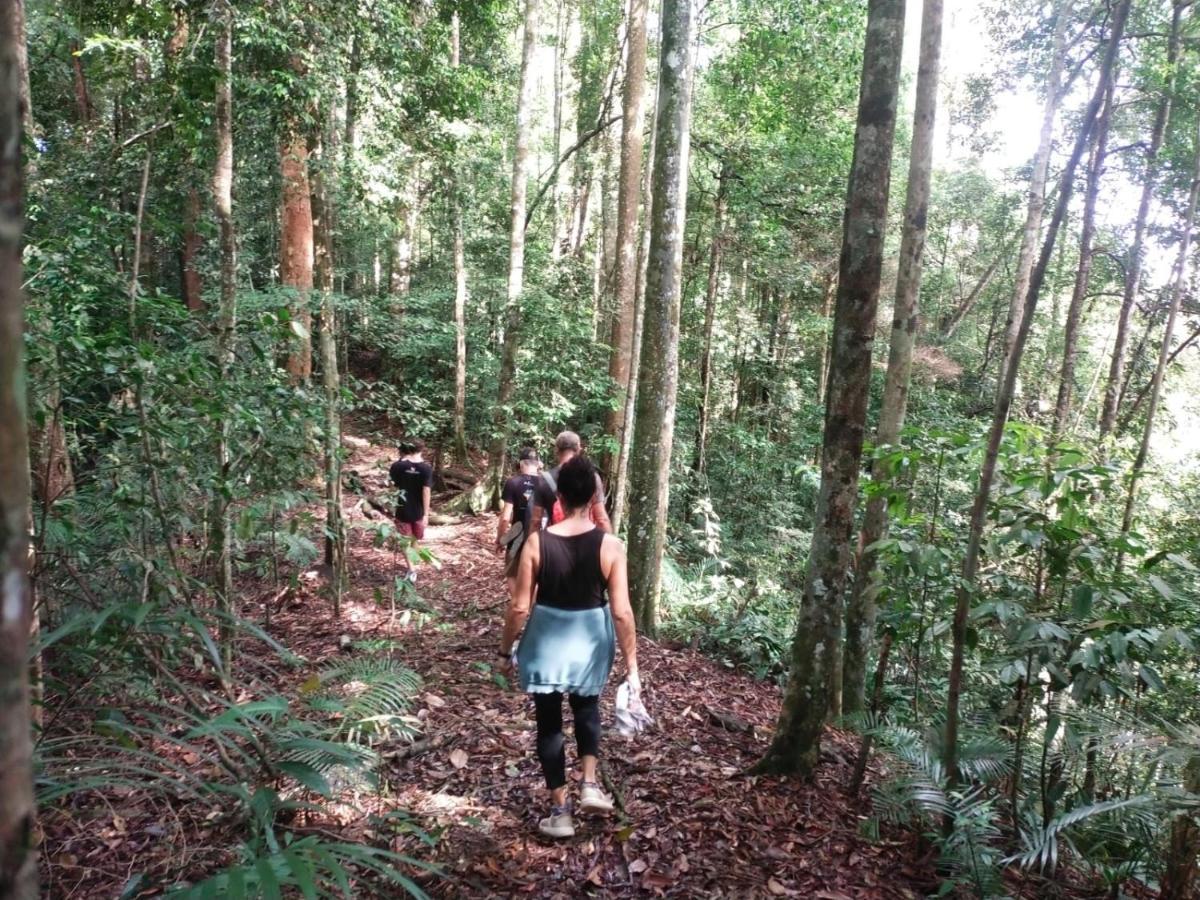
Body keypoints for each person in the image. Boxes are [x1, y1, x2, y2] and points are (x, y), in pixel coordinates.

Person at [498, 455, 640, 839]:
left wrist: (505, 649)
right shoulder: (611, 545)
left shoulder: (536, 542)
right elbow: (623, 612)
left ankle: (560, 811)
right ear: (595, 495)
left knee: (548, 723)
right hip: (590, 640)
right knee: (587, 708)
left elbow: (520, 606)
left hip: (546, 639)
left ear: (559, 495)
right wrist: (632, 666)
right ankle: (590, 784)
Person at [530, 431, 612, 535]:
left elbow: (535, 521)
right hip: (586, 541)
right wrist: (610, 545)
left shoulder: (543, 480)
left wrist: (533, 545)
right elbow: (601, 519)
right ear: (578, 448)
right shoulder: (592, 477)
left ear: (556, 450)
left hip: (555, 541)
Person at [497, 447, 540, 598]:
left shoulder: (513, 483)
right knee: (537, 578)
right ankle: (532, 609)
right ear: (538, 464)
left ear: (521, 464)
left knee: (511, 573)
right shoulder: (546, 484)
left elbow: (505, 517)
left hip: (517, 536)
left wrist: (500, 539)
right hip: (540, 538)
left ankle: (520, 606)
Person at [389, 438, 433, 581]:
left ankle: (411, 568)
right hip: (419, 511)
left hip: (402, 509)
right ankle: (412, 567)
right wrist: (426, 514)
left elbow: (392, 488)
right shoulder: (426, 468)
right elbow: (426, 491)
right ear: (421, 450)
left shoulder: (397, 466)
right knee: (415, 537)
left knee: (405, 540)